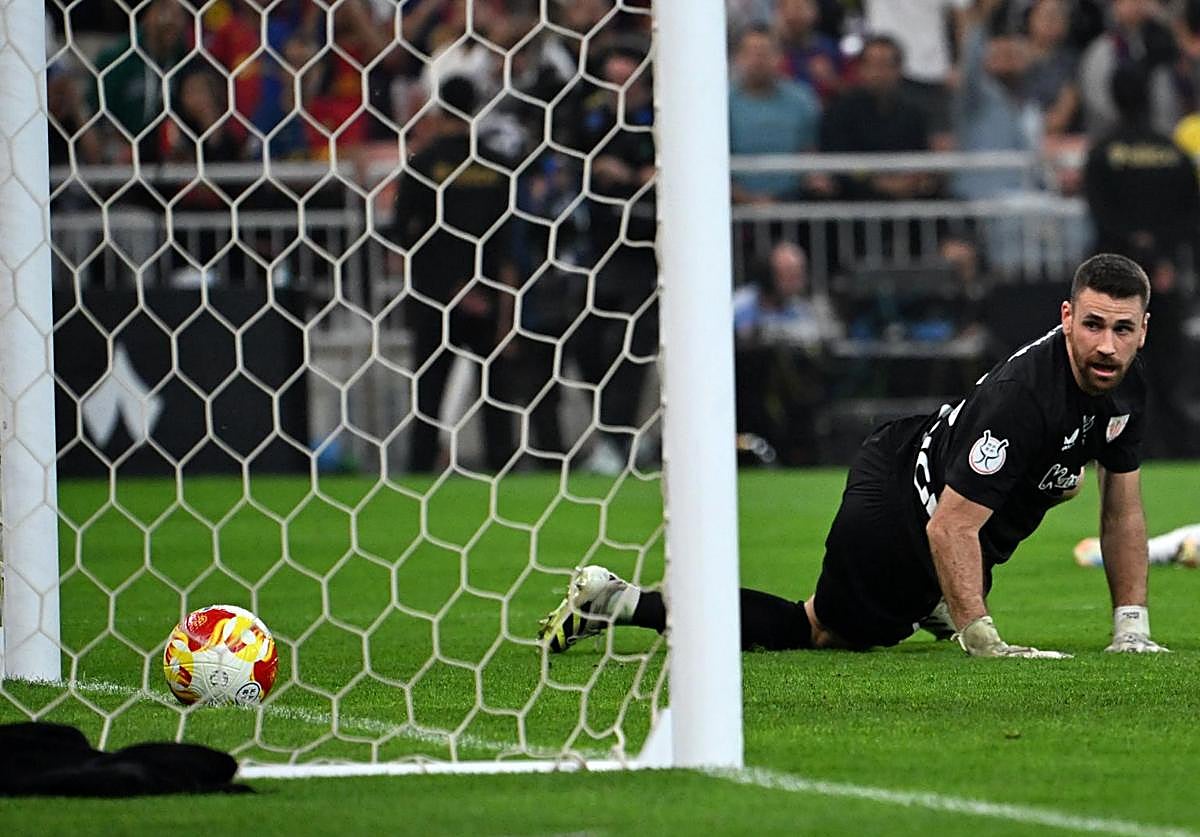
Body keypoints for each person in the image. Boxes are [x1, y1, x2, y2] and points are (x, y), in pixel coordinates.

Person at [539, 253, 1169, 658]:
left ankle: (934, 603)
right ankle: (617, 602)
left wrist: (1131, 628)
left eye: (1122, 329)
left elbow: (1125, 514)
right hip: (899, 517)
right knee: (816, 629)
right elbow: (950, 526)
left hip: (921, 468)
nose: (1107, 345)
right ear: (1065, 317)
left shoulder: (1127, 384)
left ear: (1144, 329)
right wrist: (985, 639)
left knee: (1035, 499)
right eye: (1092, 325)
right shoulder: (1022, 398)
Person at [391, 75, 518, 474]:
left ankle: (419, 472)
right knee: (496, 394)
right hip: (488, 294)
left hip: (435, 296)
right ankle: (503, 472)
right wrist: (497, 298)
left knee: (429, 394)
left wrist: (450, 284)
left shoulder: (422, 165)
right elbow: (508, 241)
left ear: (439, 108)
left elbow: (402, 234)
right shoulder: (498, 167)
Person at [1074, 525, 1199, 568]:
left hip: (1163, 551)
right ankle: (1095, 549)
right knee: (1136, 555)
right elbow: (1189, 551)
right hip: (1157, 551)